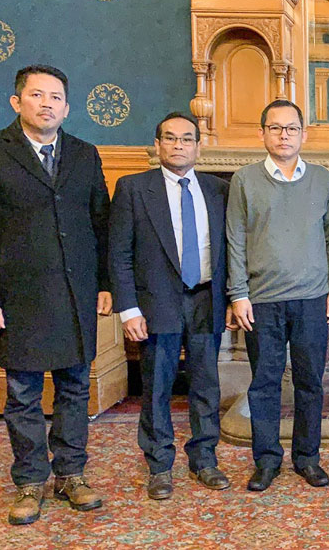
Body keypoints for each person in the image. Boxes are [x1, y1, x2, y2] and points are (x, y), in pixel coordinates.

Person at [0, 64, 111, 524]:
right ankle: (29, 481)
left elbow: (100, 224)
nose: (47, 104)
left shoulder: (84, 154)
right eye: (37, 95)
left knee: (75, 389)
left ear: (67, 107)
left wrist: (106, 285)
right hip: (17, 298)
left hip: (76, 293)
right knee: (23, 394)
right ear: (16, 101)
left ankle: (71, 474)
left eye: (56, 97)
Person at [109, 112, 232, 500]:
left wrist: (231, 299)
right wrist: (129, 309)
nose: (179, 145)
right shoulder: (133, 188)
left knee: (206, 385)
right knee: (157, 387)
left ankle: (204, 459)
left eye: (187, 138)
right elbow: (119, 253)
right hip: (157, 302)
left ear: (198, 146)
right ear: (158, 144)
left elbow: (230, 249)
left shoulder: (219, 189)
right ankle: (159, 465)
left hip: (206, 298)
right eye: (170, 138)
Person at [227, 99, 329, 491]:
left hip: (312, 298)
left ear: (303, 134)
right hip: (262, 300)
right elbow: (235, 239)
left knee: (310, 382)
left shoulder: (322, 180)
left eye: (291, 128)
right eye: (275, 128)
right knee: (264, 383)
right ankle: (266, 460)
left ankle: (307, 458)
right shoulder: (244, 180)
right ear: (262, 134)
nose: (284, 135)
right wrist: (238, 294)